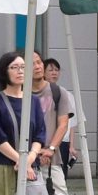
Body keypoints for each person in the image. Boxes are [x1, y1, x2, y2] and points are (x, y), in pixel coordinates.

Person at [0, 53, 56, 195]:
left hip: (30, 167)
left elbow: (40, 134)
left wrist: (29, 160)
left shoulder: (33, 101)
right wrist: (22, 161)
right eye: (14, 67)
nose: (20, 71)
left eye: (23, 67)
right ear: (4, 71)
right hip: (3, 166)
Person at [40, 57, 76, 185]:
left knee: (59, 181)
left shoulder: (62, 93)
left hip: (61, 143)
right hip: (39, 146)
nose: (54, 73)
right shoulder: (30, 93)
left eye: (57, 70)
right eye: (51, 70)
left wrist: (71, 144)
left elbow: (70, 123)